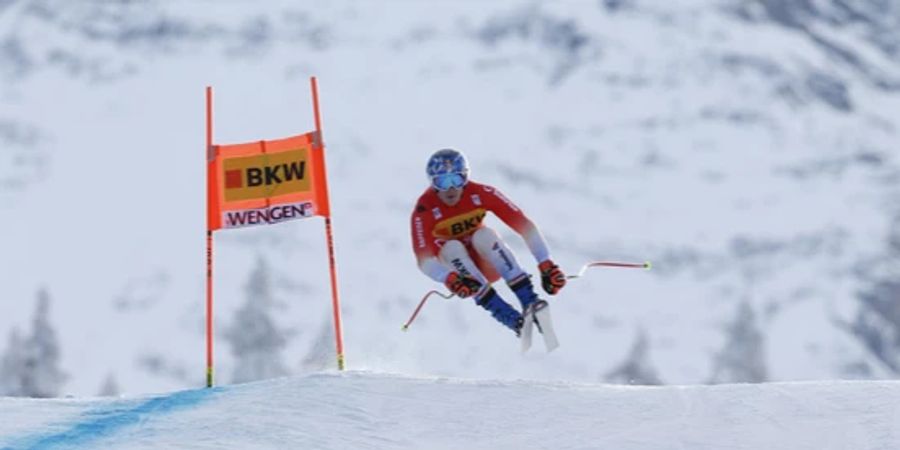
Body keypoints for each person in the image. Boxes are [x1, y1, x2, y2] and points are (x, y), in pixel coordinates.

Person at [409, 148, 567, 336]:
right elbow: (424, 261)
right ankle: (509, 317)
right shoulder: (424, 209)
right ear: (432, 183)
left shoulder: (482, 193)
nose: (450, 188)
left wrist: (545, 262)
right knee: (452, 247)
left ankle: (530, 301)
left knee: (484, 235)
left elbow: (525, 226)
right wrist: (448, 278)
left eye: (457, 179)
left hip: (487, 261)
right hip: (463, 275)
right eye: (442, 182)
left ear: (466, 177)